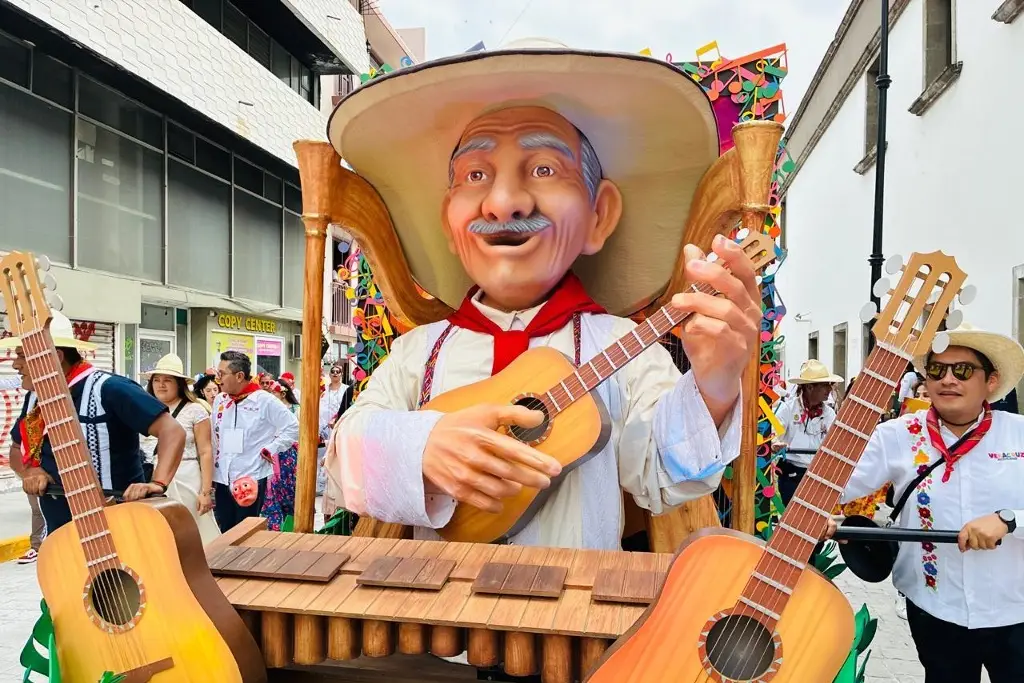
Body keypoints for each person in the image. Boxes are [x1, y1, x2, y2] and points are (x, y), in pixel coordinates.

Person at [323, 38, 760, 549]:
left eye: (545, 169)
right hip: (437, 620)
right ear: (449, 221)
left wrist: (714, 386)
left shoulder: (626, 346)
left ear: (599, 216)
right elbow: (341, 465)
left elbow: (669, 474)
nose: (504, 203)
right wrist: (420, 447)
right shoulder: (420, 351)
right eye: (477, 175)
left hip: (574, 621)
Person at [827, 323, 1024, 682]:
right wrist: (820, 512)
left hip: (1016, 611)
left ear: (991, 381)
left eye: (962, 370)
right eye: (936, 370)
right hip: (935, 608)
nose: (948, 379)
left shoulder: (1019, 433)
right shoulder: (897, 435)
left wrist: (1009, 520)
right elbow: (834, 486)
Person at [5, 311, 185, 534]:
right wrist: (31, 471)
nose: (15, 364)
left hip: (120, 525)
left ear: (54, 356)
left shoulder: (111, 389)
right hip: (61, 532)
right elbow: (16, 447)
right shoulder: (34, 398)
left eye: (22, 356)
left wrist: (157, 483)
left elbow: (172, 431)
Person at [210, 351, 298, 533]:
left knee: (245, 532)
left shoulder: (264, 400)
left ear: (239, 376)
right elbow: (213, 437)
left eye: (222, 374)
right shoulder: (220, 400)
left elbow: (293, 427)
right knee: (224, 530)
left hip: (250, 476)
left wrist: (271, 448)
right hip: (222, 478)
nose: (218, 379)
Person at [141, 354, 220, 544]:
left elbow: (205, 451)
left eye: (167, 380)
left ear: (179, 384)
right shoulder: (143, 408)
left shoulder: (195, 410)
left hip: (186, 476)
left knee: (192, 530)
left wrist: (206, 492)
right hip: (150, 476)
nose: (161, 385)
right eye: (157, 380)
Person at [773, 359, 840, 505]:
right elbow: (774, 433)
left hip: (819, 474)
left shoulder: (829, 413)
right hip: (792, 474)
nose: (829, 390)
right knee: (794, 518)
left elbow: (836, 440)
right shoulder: (788, 409)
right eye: (824, 385)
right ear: (810, 387)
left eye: (829, 385)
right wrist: (776, 443)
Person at [261, 378, 299, 531]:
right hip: (271, 453)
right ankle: (274, 526)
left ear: (283, 393)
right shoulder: (265, 409)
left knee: (289, 490)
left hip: (289, 454)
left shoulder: (295, 409)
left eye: (274, 392)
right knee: (271, 491)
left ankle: (292, 523)